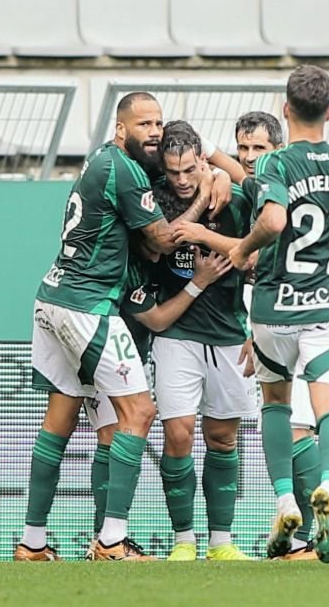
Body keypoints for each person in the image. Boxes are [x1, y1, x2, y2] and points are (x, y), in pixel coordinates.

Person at [15, 92, 233, 562]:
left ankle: (32, 543)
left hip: (53, 296)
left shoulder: (105, 161)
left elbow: (149, 245)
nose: (154, 132)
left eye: (158, 123)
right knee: (140, 413)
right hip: (87, 305)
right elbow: (159, 240)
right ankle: (111, 541)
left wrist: (212, 168)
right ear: (120, 129)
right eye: (144, 124)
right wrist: (197, 200)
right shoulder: (124, 168)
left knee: (63, 419)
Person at [227, 65, 329, 564]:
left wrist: (243, 248)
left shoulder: (276, 163)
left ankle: (283, 501)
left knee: (275, 405)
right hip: (328, 308)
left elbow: (274, 219)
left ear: (285, 109)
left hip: (275, 309)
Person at [179, 111, 329, 560]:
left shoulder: (279, 188)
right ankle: (310, 536)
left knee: (292, 422)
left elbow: (253, 260)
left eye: (259, 149)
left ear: (279, 148)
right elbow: (239, 174)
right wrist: (213, 161)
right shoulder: (265, 182)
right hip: (292, 315)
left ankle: (314, 532)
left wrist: (202, 233)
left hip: (301, 316)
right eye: (244, 148)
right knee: (295, 427)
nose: (250, 158)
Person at [80, 238, 233, 560]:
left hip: (124, 360)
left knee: (112, 436)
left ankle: (103, 542)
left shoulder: (149, 268)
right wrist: (199, 281)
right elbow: (159, 320)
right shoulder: (127, 271)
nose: (162, 244)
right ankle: (104, 541)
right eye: (152, 236)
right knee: (110, 437)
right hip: (102, 352)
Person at [149, 121, 254, 562]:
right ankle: (183, 541)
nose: (182, 179)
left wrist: (223, 175)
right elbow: (163, 241)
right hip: (178, 333)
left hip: (229, 331)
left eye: (190, 169)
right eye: (173, 172)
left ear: (202, 159)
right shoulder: (153, 194)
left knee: (223, 438)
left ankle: (221, 542)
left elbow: (255, 253)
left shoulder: (235, 196)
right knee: (178, 433)